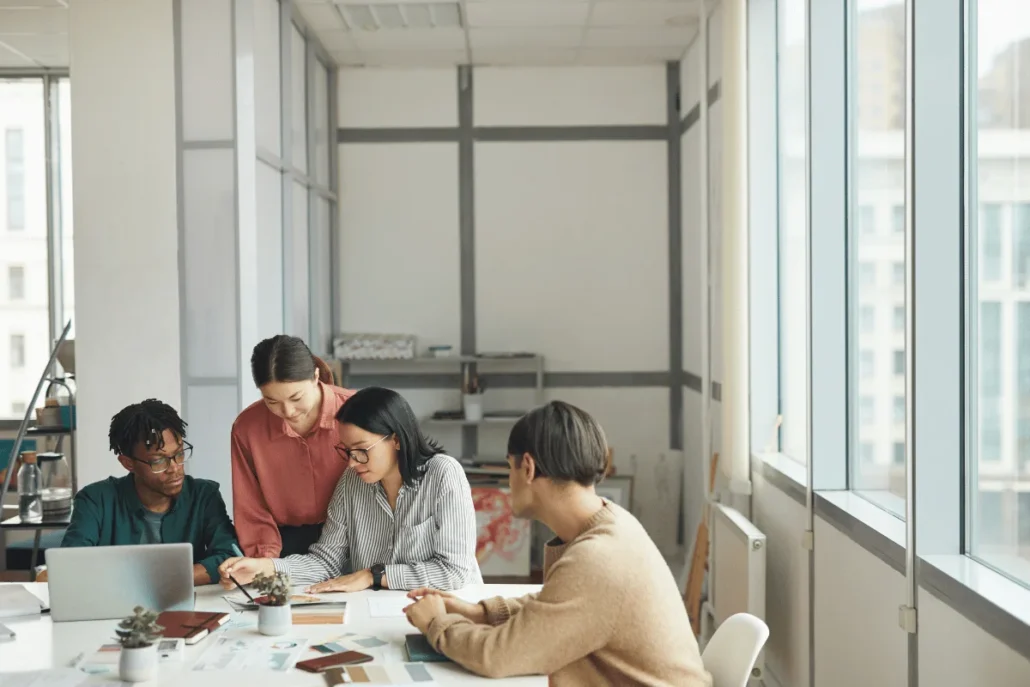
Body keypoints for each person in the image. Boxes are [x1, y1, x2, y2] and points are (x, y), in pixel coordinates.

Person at [403, 401, 712, 687]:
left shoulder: (597, 558)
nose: (508, 480)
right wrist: (477, 612)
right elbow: (556, 605)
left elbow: (498, 657)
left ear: (528, 467)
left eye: (508, 467)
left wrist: (436, 623)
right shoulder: (611, 522)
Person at [219, 386, 482, 592]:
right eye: (346, 450)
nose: (352, 462)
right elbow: (326, 561)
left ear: (396, 440)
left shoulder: (443, 474)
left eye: (361, 450)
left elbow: (453, 571)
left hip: (449, 609)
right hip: (376, 611)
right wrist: (264, 567)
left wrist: (374, 575)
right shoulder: (351, 482)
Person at [59, 399, 238, 586]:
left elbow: (229, 556)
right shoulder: (95, 500)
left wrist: (163, 579)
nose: (175, 468)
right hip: (116, 611)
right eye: (159, 461)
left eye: (179, 454)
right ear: (128, 463)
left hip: (187, 608)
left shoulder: (203, 495)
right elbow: (72, 564)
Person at [231, 335, 356, 558]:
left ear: (315, 376)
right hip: (284, 544)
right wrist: (266, 563)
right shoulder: (247, 428)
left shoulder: (358, 410)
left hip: (356, 537)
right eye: (272, 401)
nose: (287, 411)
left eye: (296, 397)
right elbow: (250, 506)